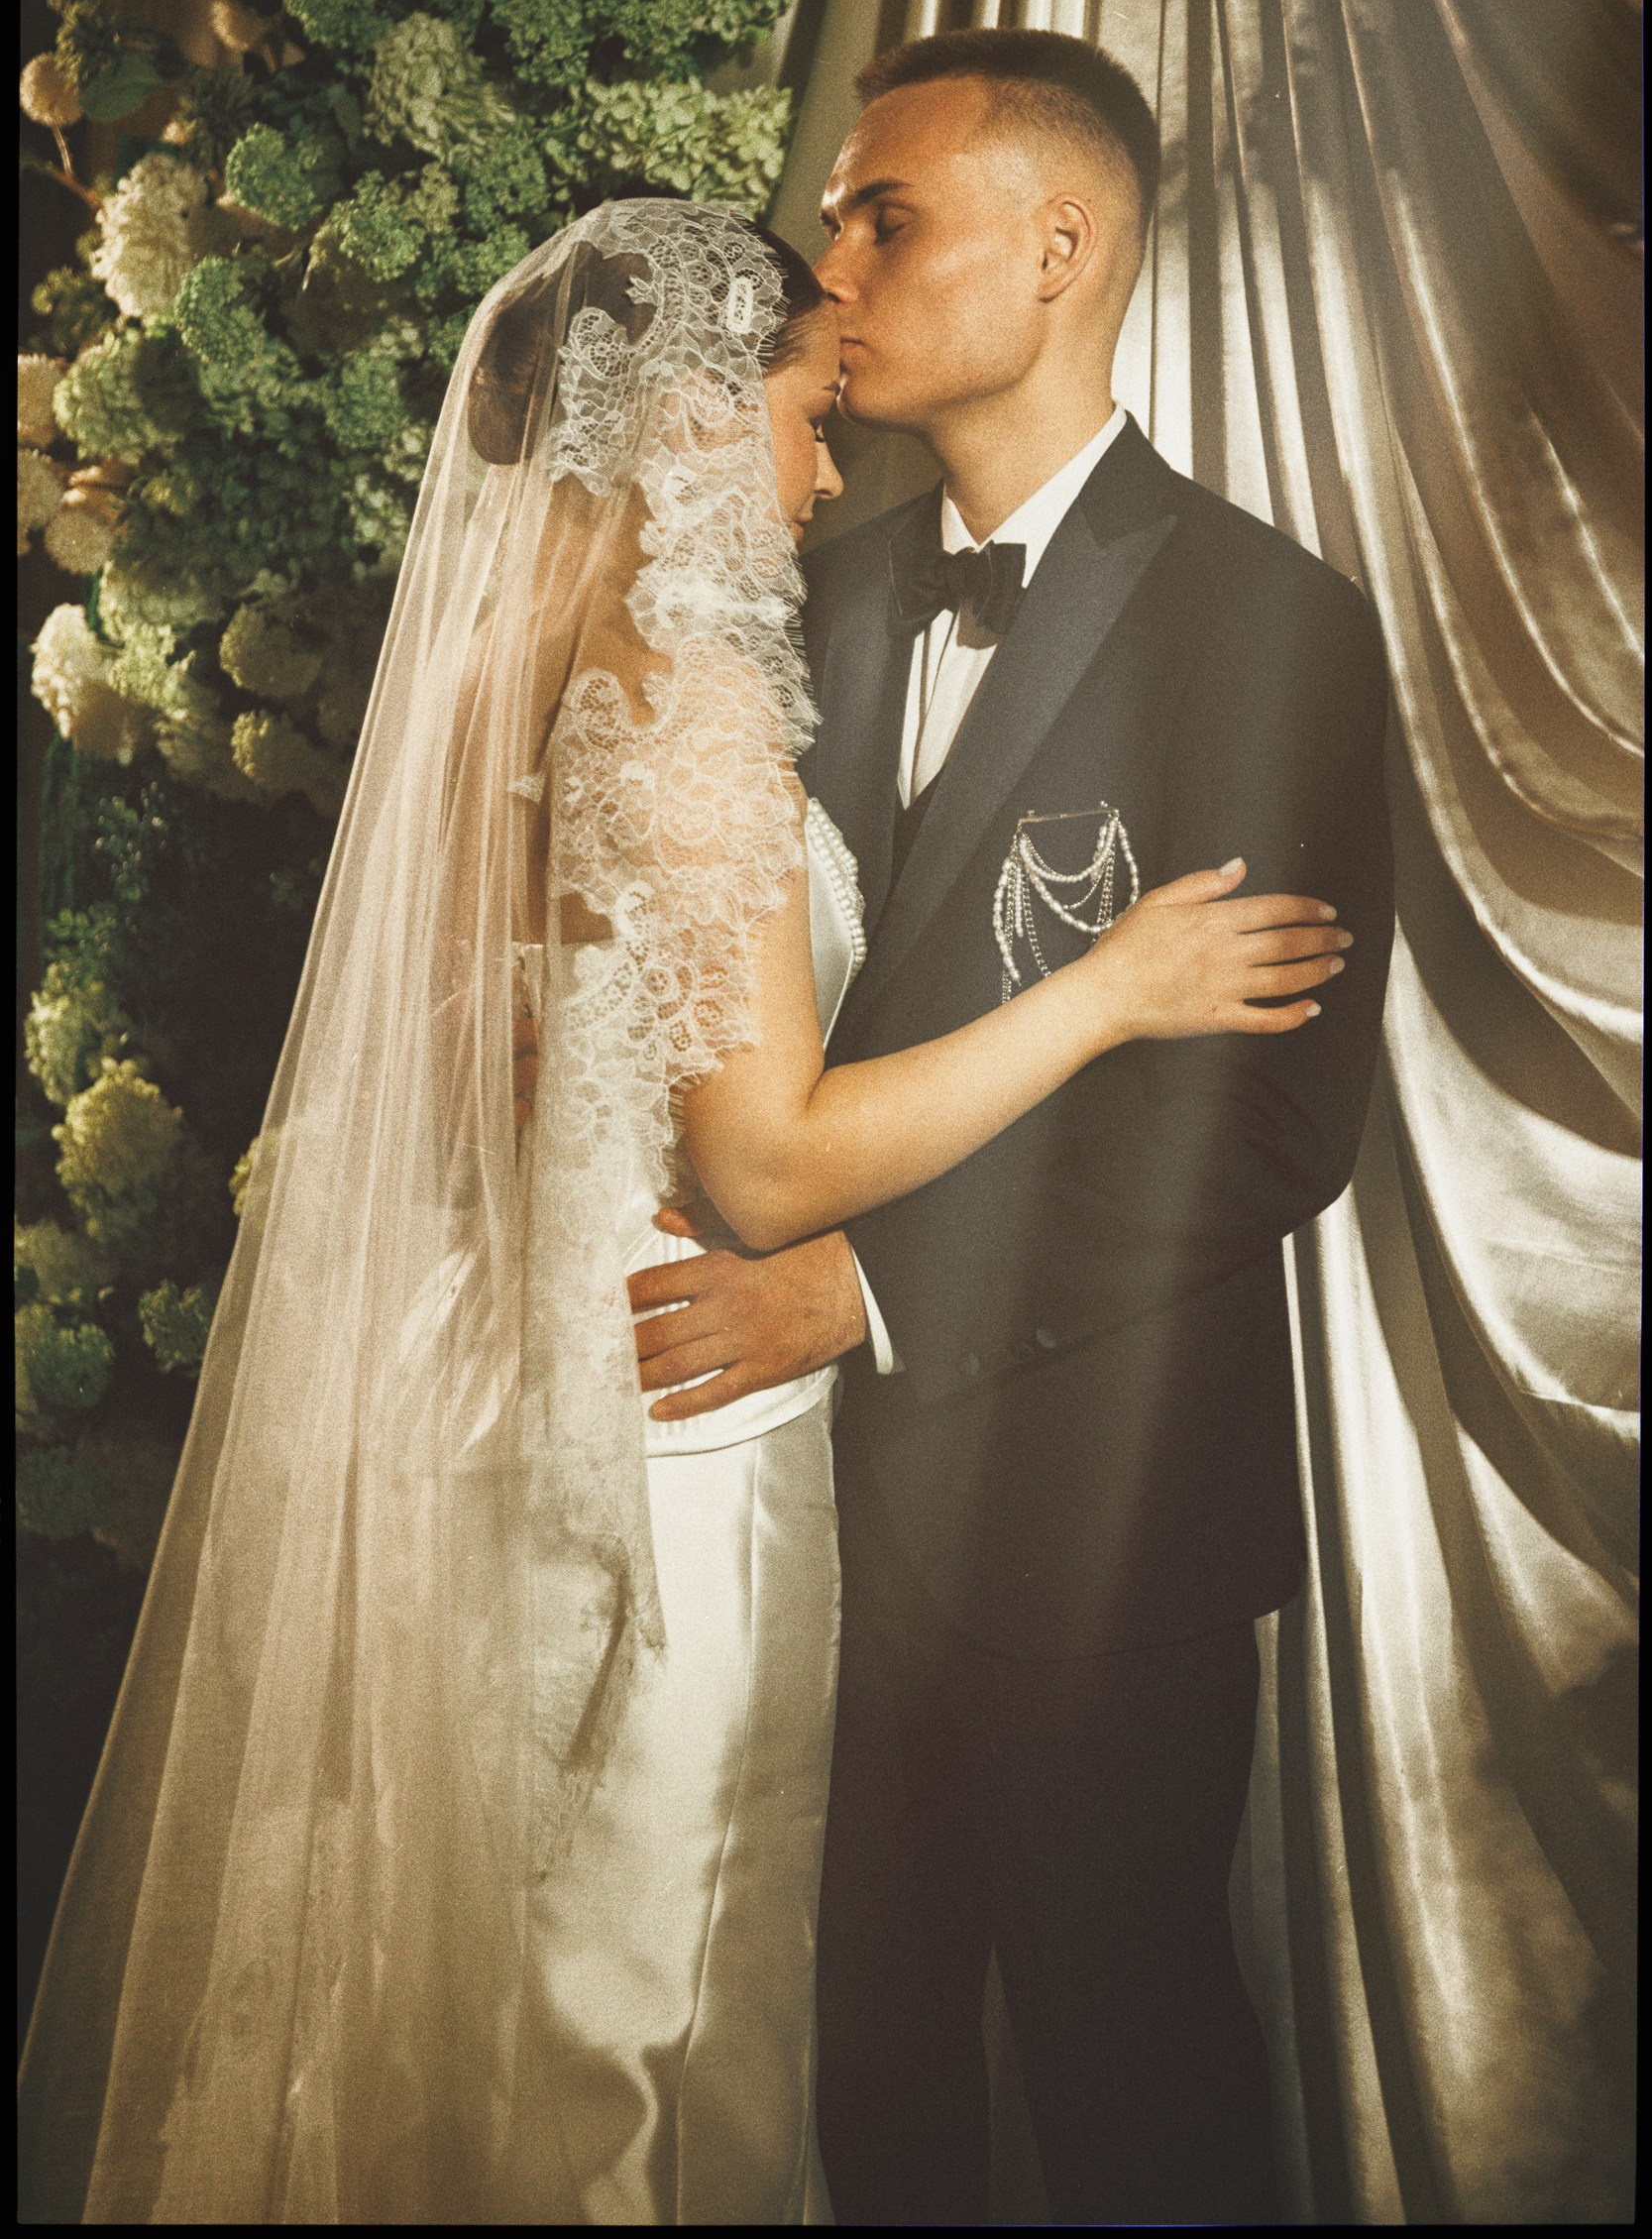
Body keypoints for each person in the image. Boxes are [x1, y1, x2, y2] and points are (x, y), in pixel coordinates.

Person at [18, 196, 1349, 2227]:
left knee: (493, 1976)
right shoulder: (694, 689)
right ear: (689, 420)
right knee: (647, 2001)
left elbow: (497, 1059)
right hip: (670, 1416)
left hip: (486, 1370)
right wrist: (1111, 989)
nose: (824, 473)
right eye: (805, 416)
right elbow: (765, 1166)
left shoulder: (489, 668)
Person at [627, 33, 1394, 2226]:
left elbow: (1265, 1120)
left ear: (1062, 248)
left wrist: (859, 1289)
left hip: (1098, 1524)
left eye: (888, 219)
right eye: (835, 222)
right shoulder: (787, 598)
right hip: (780, 1521)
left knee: (1137, 2088)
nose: (836, 270)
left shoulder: (1271, 621)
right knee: (850, 2092)